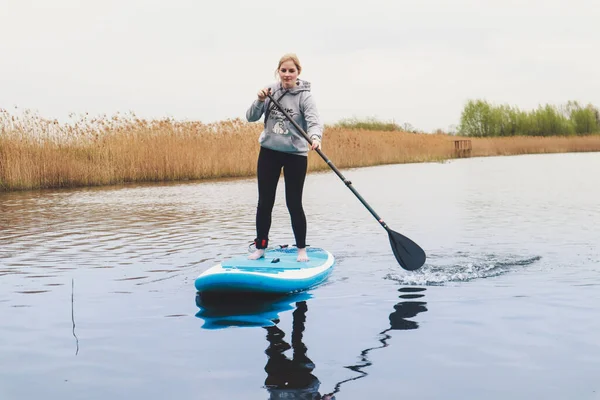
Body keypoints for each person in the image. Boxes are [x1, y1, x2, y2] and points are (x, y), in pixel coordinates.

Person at [246, 53, 323, 262]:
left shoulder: (305, 96)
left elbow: (314, 122)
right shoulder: (270, 91)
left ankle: (301, 250)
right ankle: (260, 247)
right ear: (278, 71)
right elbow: (250, 117)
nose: (287, 74)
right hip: (269, 152)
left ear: (298, 72)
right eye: (283, 70)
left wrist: (315, 138)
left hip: (295, 155)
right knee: (265, 202)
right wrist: (260, 99)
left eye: (291, 71)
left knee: (294, 203)